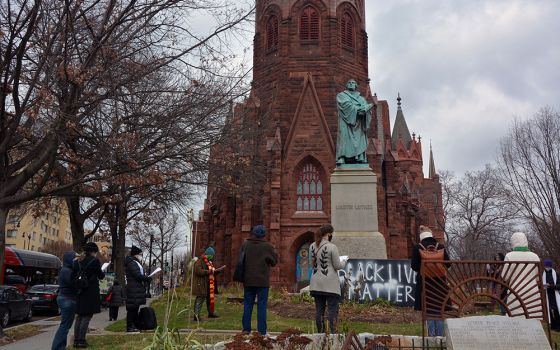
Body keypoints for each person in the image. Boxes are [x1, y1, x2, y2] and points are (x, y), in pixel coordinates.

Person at [411, 225, 449, 337]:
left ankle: (432, 337)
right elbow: (449, 264)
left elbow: (414, 266)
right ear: (431, 234)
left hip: (425, 283)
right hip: (440, 283)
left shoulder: (417, 247)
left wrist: (424, 268)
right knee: (439, 309)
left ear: (421, 236)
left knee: (428, 310)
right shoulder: (440, 246)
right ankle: (441, 337)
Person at [309, 224, 347, 333]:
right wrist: (344, 261)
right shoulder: (332, 247)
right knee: (332, 310)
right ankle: (334, 334)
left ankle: (320, 334)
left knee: (319, 311)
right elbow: (337, 266)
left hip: (316, 283)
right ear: (329, 234)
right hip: (330, 284)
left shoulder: (312, 246)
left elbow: (314, 263)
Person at [241, 225, 278, 335]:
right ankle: (262, 331)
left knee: (248, 304)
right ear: (264, 235)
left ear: (253, 233)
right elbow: (274, 262)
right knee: (262, 305)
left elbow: (240, 260)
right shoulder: (268, 246)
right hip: (262, 281)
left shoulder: (246, 245)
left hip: (248, 280)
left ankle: (246, 329)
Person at [501, 232, 541, 318]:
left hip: (516, 291)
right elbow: (538, 277)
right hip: (532, 291)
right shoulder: (535, 256)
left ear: (513, 242)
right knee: (533, 317)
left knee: (516, 317)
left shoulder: (509, 256)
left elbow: (505, 277)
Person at [335, 79, 373, 166]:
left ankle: (359, 157)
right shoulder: (341, 95)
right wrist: (359, 109)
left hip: (359, 123)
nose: (351, 84)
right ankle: (342, 157)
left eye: (353, 83)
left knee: (360, 137)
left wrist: (366, 111)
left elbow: (366, 109)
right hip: (346, 121)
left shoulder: (361, 99)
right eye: (349, 82)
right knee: (343, 136)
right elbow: (345, 105)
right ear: (346, 85)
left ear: (356, 86)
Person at [74, 242, 105, 348]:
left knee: (79, 316)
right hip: (90, 291)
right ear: (93, 251)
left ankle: (76, 340)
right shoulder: (94, 261)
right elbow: (101, 276)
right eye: (96, 252)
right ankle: (82, 340)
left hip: (80, 290)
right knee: (87, 316)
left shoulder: (79, 261)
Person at [51, 252, 79, 350]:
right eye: (74, 259)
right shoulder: (67, 271)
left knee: (65, 325)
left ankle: (60, 346)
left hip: (65, 298)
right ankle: (57, 347)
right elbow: (73, 284)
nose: (76, 261)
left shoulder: (65, 270)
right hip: (68, 299)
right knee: (65, 326)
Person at [192, 247, 226, 321]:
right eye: (212, 255)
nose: (213, 257)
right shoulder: (199, 261)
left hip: (208, 284)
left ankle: (211, 313)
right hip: (201, 284)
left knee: (210, 299)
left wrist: (218, 270)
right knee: (200, 299)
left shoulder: (209, 262)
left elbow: (211, 272)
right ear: (208, 254)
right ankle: (196, 315)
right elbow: (198, 271)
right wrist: (209, 271)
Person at [125, 246, 152, 332]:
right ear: (136, 254)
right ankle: (130, 326)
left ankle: (134, 325)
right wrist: (146, 278)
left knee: (135, 308)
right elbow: (137, 275)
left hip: (135, 289)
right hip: (134, 289)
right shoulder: (132, 263)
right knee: (132, 309)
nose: (141, 256)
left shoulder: (134, 262)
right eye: (140, 254)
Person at [542, 259, 560, 331]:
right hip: (547, 295)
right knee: (549, 310)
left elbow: (559, 285)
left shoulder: (556, 274)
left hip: (555, 295)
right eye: (545, 266)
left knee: (556, 310)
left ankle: (558, 326)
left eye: (548, 266)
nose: (546, 267)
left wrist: (552, 286)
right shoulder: (543, 274)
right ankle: (553, 325)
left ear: (550, 266)